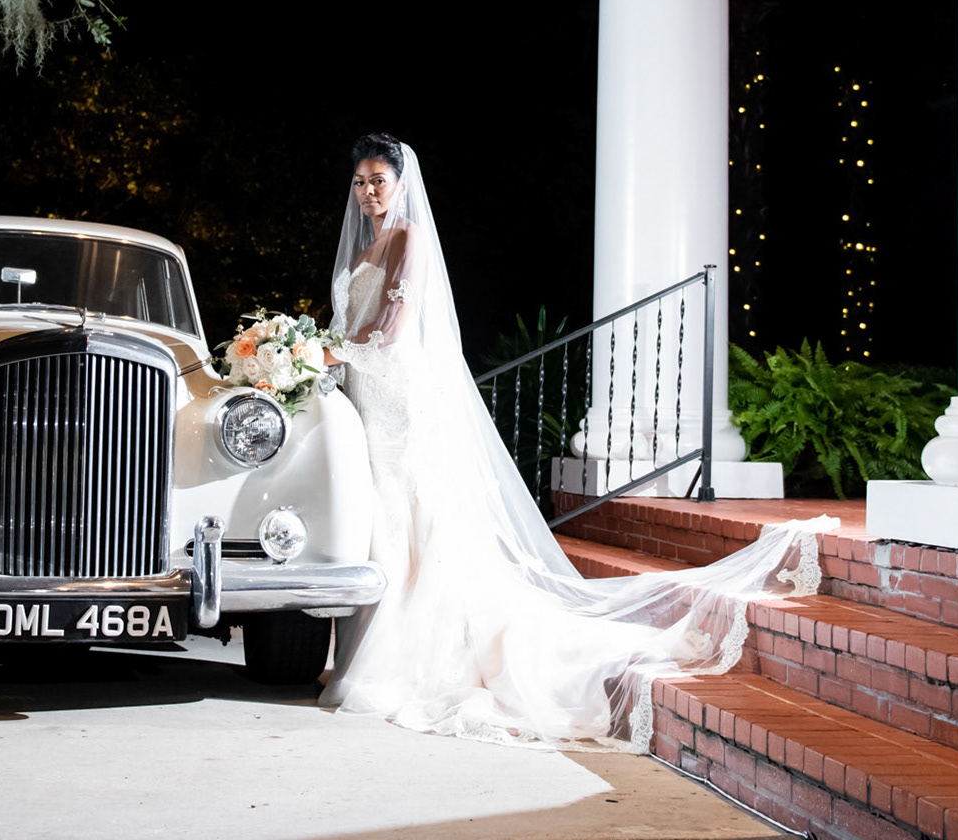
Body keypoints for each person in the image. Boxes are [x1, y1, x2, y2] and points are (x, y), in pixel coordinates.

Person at [319, 132, 829, 748]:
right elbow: (352, 322)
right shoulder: (364, 245)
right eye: (360, 182)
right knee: (380, 513)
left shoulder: (409, 238)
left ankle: (416, 658)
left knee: (412, 512)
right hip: (365, 395)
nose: (368, 192)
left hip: (398, 395)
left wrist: (326, 354)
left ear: (401, 184)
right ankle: (376, 647)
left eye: (379, 180)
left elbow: (392, 328)